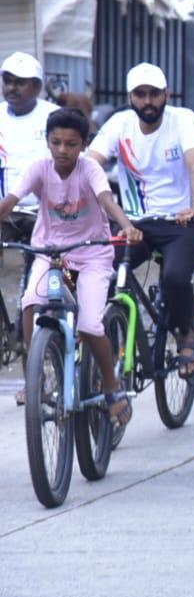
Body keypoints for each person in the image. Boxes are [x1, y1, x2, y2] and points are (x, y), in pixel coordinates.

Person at [0, 106, 141, 422]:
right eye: (56, 142)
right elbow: (10, 200)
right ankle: (34, 376)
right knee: (29, 303)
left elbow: (107, 200)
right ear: (48, 142)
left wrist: (127, 226)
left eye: (71, 144)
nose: (62, 150)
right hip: (50, 253)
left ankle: (110, 385)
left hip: (92, 254)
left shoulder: (90, 170)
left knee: (90, 325)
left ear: (84, 145)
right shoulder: (39, 168)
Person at [88, 62, 194, 377]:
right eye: (140, 95)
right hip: (135, 224)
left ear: (166, 93)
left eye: (154, 93)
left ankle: (186, 333)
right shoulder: (119, 124)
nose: (148, 101)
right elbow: (91, 164)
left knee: (175, 278)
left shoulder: (183, 120)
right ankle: (108, 335)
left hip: (181, 221)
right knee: (97, 270)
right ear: (130, 97)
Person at [1, 52, 57, 222]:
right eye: (7, 81)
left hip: (46, 213)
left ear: (37, 87)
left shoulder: (55, 116)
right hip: (4, 213)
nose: (11, 88)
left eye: (20, 83)